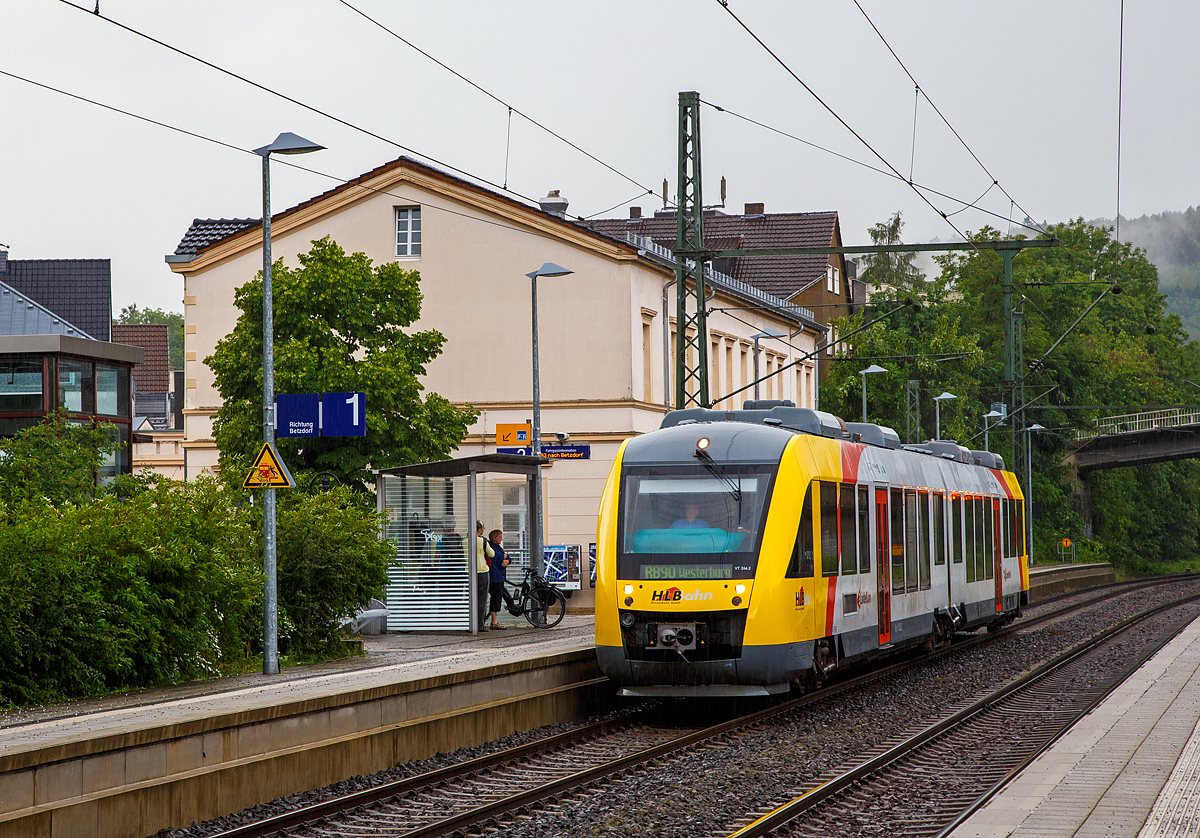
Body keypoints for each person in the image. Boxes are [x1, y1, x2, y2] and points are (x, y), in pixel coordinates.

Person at [486, 528, 511, 629]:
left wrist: (507, 560)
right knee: (495, 598)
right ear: (494, 538)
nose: (501, 539)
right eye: (499, 537)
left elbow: (507, 557)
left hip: (498, 576)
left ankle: (494, 620)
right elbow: (497, 559)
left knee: (499, 597)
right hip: (495, 576)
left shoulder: (498, 547)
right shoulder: (491, 547)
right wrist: (504, 558)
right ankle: (494, 622)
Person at [475, 521, 494, 633]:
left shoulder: (464, 541)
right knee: (482, 599)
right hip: (482, 572)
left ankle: (468, 623)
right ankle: (480, 625)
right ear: (480, 530)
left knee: (469, 599)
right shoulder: (482, 541)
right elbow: (492, 554)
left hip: (468, 573)